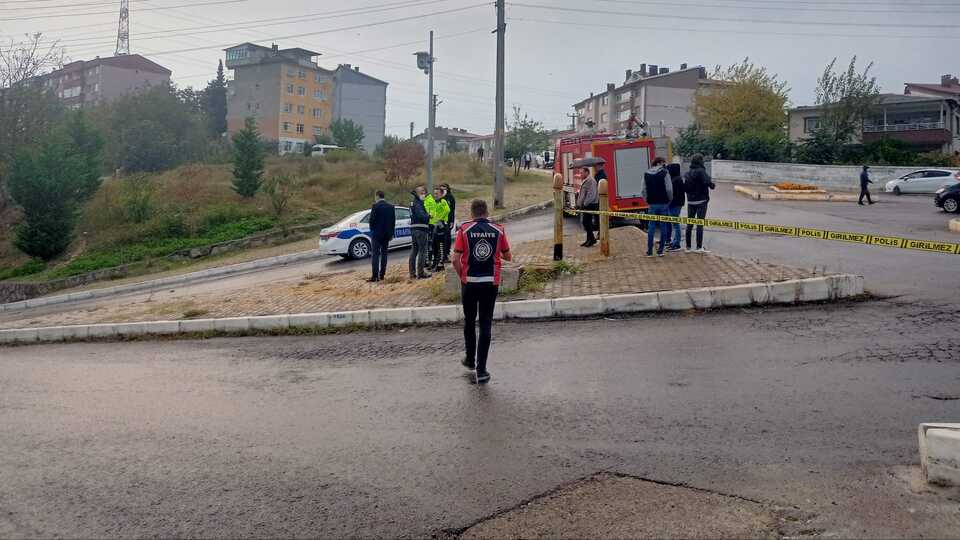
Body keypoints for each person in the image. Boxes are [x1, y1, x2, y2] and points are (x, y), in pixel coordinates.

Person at [452, 198, 513, 384]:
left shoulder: (464, 229)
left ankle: (470, 359)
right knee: (485, 323)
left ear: (472, 213)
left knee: (469, 321)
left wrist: (462, 275)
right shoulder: (499, 229)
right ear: (486, 212)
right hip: (490, 282)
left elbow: (455, 259)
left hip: (469, 282)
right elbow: (508, 256)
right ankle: (482, 370)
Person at [641, 157, 674, 257]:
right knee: (663, 226)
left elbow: (643, 190)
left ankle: (650, 251)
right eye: (663, 163)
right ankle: (660, 251)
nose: (665, 165)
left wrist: (647, 201)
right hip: (663, 203)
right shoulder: (665, 173)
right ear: (659, 163)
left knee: (651, 227)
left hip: (652, 204)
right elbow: (669, 189)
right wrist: (669, 199)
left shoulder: (646, 174)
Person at [683, 154, 715, 253]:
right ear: (700, 161)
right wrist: (712, 185)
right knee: (700, 224)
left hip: (691, 201)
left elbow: (685, 188)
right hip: (701, 201)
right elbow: (708, 182)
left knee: (690, 223)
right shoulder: (701, 171)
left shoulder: (687, 173)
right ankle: (699, 247)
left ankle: (688, 247)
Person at [368, 191, 396, 282]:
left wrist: (372, 231)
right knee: (384, 254)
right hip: (387, 234)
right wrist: (391, 233)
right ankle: (382, 274)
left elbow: (371, 220)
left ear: (377, 196)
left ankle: (375, 276)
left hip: (376, 234)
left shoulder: (375, 206)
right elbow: (393, 221)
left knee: (375, 255)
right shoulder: (391, 207)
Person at [424, 186, 451, 271]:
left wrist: (441, 219)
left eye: (437, 194)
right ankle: (435, 263)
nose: (435, 195)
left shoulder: (443, 201)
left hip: (442, 225)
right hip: (436, 225)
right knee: (434, 245)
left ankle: (440, 264)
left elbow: (447, 210)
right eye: (434, 193)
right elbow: (434, 212)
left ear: (441, 194)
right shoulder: (435, 202)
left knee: (441, 246)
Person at [409, 186, 431, 279]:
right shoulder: (418, 203)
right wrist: (429, 216)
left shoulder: (412, 203)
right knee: (422, 251)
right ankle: (421, 273)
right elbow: (421, 215)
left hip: (414, 229)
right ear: (417, 193)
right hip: (421, 229)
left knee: (414, 251)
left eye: (424, 192)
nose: (424, 194)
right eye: (421, 192)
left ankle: (412, 273)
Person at [575, 166, 599, 247]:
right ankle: (589, 240)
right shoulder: (586, 180)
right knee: (586, 222)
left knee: (586, 222)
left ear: (587, 172)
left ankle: (592, 239)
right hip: (587, 205)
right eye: (580, 173)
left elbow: (591, 194)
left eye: (582, 173)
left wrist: (585, 203)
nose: (580, 174)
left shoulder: (590, 180)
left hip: (590, 205)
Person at [664, 163, 685, 252]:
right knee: (674, 224)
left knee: (676, 225)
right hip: (676, 204)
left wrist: (668, 204)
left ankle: (677, 244)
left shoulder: (675, 181)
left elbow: (673, 195)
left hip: (674, 205)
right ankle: (674, 242)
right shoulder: (677, 179)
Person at [441, 183, 456, 263]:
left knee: (447, 237)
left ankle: (447, 253)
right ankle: (441, 255)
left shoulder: (450, 197)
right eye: (441, 188)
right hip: (440, 221)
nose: (443, 190)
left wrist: (452, 221)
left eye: (444, 188)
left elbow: (452, 210)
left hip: (448, 221)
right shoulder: (439, 197)